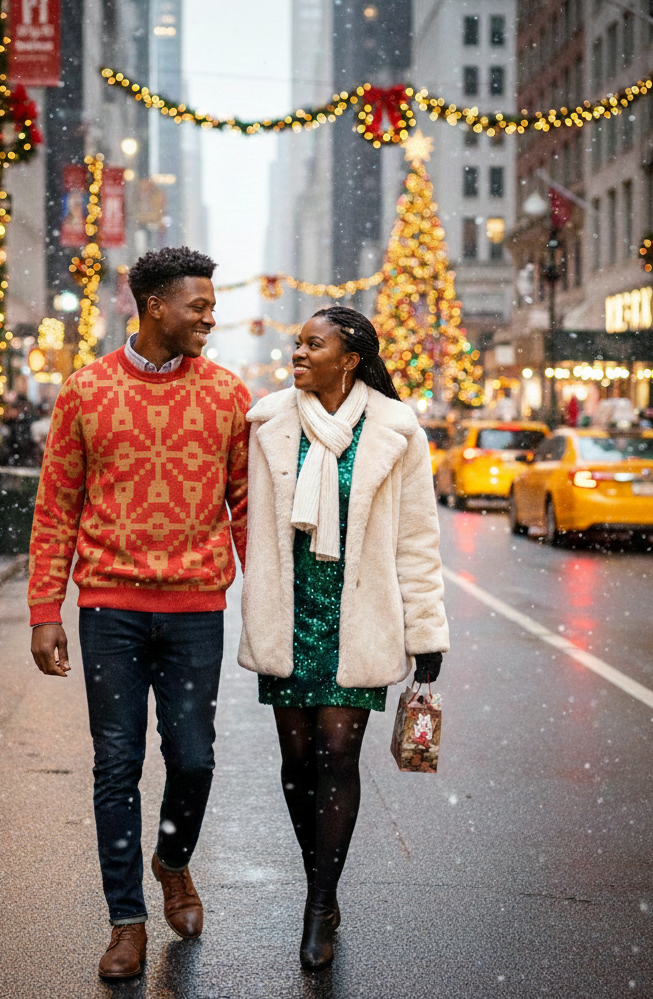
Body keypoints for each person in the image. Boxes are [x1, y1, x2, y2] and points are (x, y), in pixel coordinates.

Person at [28, 246, 250, 980]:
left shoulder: (227, 394)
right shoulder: (86, 391)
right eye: (200, 305)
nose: (210, 318)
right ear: (154, 305)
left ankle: (173, 859)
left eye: (212, 306)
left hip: (195, 609)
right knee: (116, 764)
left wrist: (270, 604)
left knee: (194, 758)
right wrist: (43, 608)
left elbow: (245, 505)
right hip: (111, 610)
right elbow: (56, 504)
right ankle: (126, 921)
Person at [237, 306, 449, 971]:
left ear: (350, 357)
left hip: (358, 616)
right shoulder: (268, 420)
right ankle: (317, 880)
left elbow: (417, 538)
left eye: (313, 344)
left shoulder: (396, 429)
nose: (298, 353)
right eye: (297, 343)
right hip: (290, 611)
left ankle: (319, 903)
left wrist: (426, 631)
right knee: (298, 765)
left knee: (337, 756)